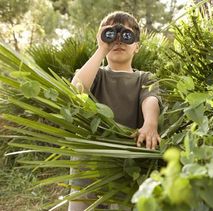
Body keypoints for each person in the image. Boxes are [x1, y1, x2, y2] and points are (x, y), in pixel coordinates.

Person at [69, 11, 161, 210]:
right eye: (111, 33)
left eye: (126, 35)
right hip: (88, 167)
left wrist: (150, 123)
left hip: (125, 168)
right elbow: (77, 89)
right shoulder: (95, 74)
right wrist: (101, 49)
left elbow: (151, 99)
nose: (118, 40)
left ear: (137, 46)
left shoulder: (144, 78)